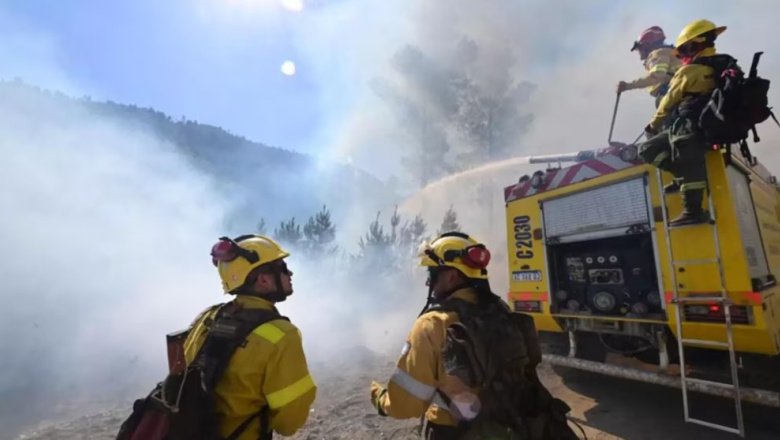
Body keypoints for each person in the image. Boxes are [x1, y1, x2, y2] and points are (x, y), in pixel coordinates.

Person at [369, 232, 577, 439]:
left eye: (432, 274)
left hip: (457, 432)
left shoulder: (432, 324)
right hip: (516, 427)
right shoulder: (501, 310)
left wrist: (380, 398)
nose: (428, 283)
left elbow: (405, 405)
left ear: (451, 276)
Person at [184, 234, 317, 439]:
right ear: (263, 279)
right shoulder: (282, 336)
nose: (289, 273)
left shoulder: (208, 317)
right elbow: (289, 422)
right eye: (282, 267)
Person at [638, 19, 730, 227]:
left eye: (683, 49)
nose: (681, 54)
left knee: (649, 149)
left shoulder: (690, 71)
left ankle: (692, 211)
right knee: (684, 159)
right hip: (712, 122)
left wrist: (653, 125)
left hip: (691, 124)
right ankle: (683, 177)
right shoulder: (724, 63)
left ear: (692, 45)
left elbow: (669, 101)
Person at [617, 26, 681, 107]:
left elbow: (656, 77)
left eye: (640, 48)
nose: (639, 52)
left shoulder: (658, 54)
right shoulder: (671, 52)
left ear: (647, 46)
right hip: (678, 90)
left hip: (671, 94)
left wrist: (627, 86)